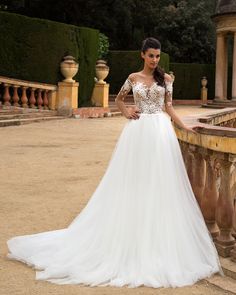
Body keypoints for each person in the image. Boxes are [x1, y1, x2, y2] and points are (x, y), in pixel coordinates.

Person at [7, 37, 222, 288]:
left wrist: (186, 126)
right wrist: (126, 111)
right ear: (142, 55)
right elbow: (120, 99)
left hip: (161, 134)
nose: (154, 60)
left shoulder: (167, 80)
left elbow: (169, 108)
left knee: (161, 185)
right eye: (151, 55)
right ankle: (130, 236)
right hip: (138, 133)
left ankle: (154, 238)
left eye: (157, 56)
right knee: (133, 183)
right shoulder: (133, 78)